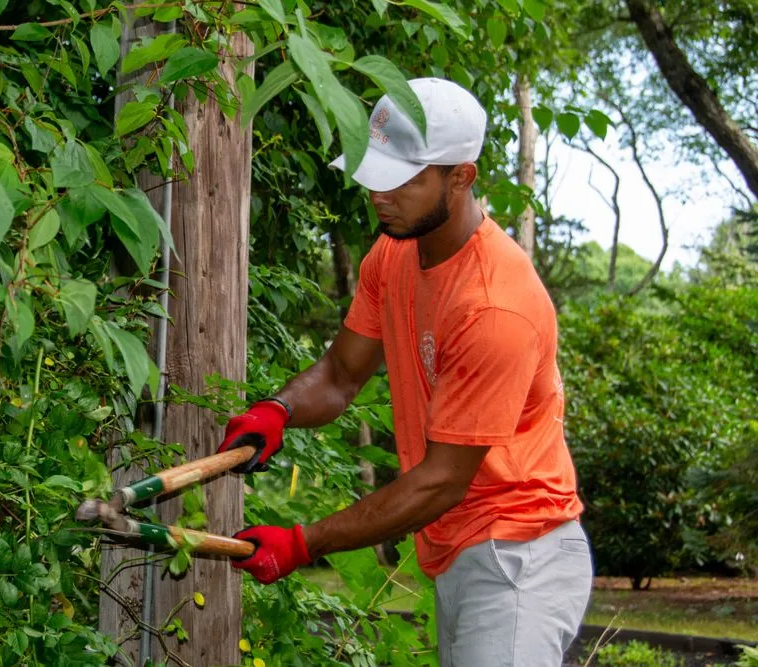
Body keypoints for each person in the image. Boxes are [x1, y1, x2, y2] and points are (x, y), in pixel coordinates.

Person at [217, 78, 593, 666]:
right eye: (375, 171)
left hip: (519, 554)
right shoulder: (395, 250)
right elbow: (342, 375)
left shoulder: (496, 307)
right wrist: (278, 412)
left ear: (461, 176)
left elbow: (441, 480)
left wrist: (302, 542)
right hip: (456, 546)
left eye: (403, 178)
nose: (378, 193)